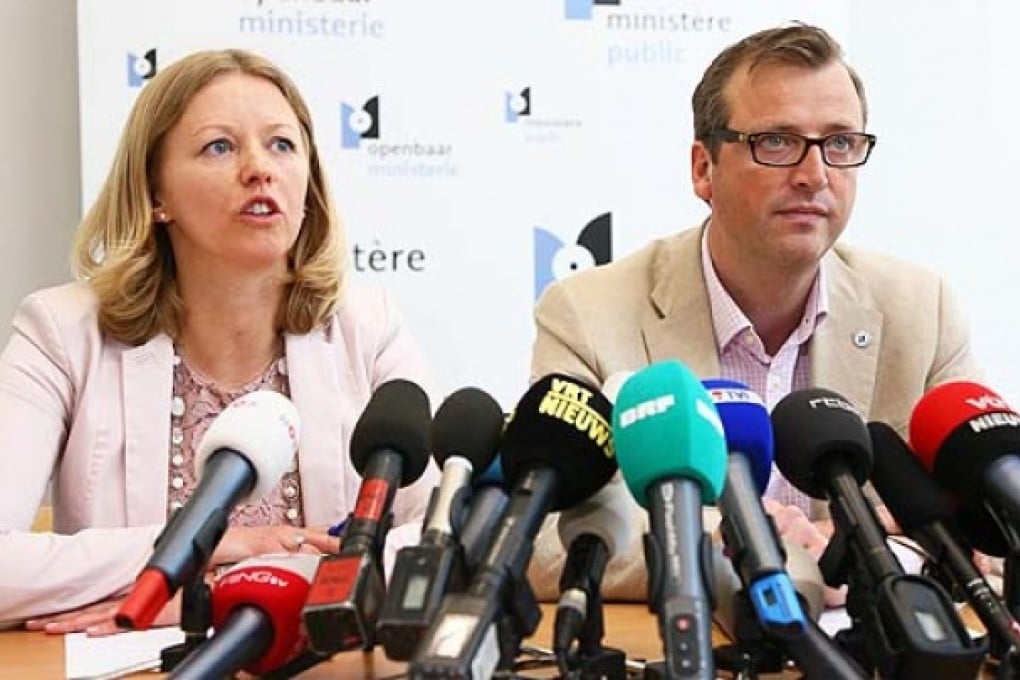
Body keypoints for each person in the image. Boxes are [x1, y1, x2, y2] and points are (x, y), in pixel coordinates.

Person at [529, 24, 981, 600]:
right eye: (776, 141)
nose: (815, 175)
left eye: (840, 143)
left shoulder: (922, 309)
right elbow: (544, 537)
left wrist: (858, 551)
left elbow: (987, 523)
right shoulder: (589, 316)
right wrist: (741, 540)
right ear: (703, 169)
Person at [0, 49, 438, 633]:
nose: (260, 169)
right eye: (219, 146)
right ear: (156, 195)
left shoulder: (368, 326)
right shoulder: (62, 333)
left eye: (282, 145)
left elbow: (447, 537)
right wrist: (200, 550)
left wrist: (234, 594)